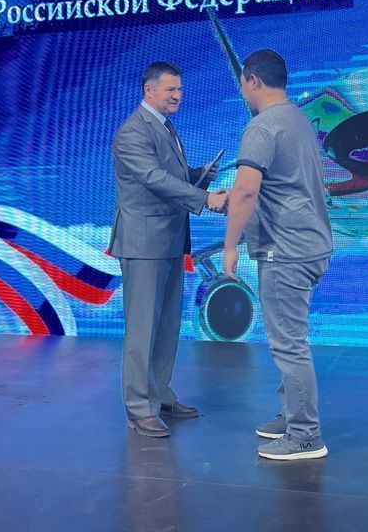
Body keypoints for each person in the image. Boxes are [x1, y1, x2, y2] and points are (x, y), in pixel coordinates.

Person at [221, 50, 334, 461]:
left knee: (288, 344)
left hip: (285, 249)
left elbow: (247, 190)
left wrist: (230, 246)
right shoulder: (298, 119)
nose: (242, 91)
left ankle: (305, 435)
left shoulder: (262, 126)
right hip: (310, 244)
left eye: (241, 84)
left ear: (252, 80)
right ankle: (292, 415)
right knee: (290, 339)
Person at [110, 61, 227, 438]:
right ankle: (138, 408)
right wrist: (204, 197)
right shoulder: (132, 131)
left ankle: (159, 395)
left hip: (170, 240)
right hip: (144, 243)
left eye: (179, 89)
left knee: (166, 326)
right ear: (149, 90)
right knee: (143, 328)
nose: (178, 95)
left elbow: (168, 175)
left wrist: (196, 175)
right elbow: (152, 178)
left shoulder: (164, 126)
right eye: (170, 89)